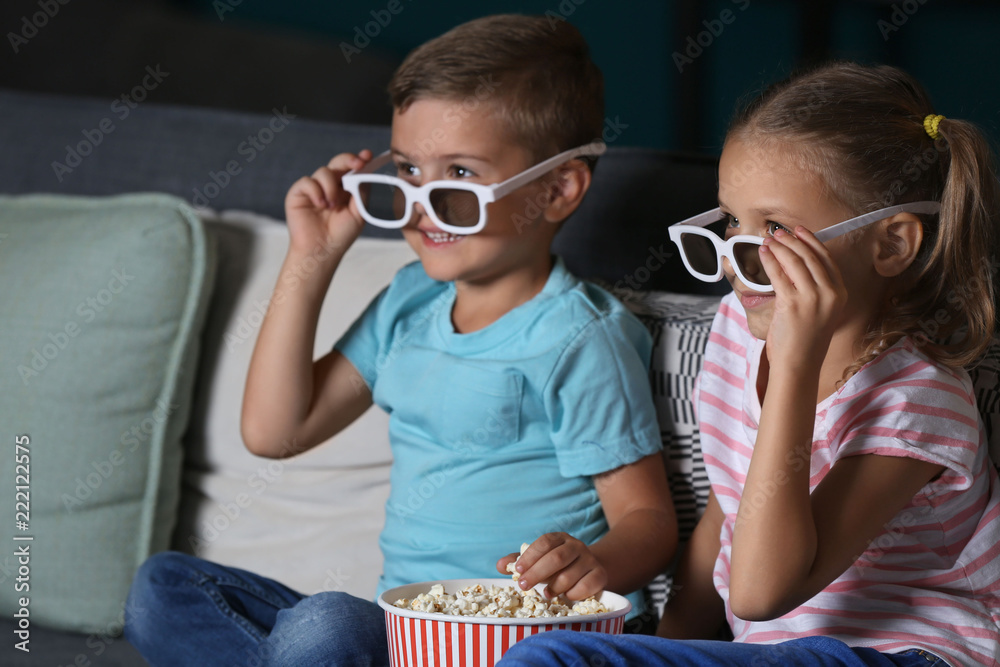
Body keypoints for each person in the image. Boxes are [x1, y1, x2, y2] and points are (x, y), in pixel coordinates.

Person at [123, 14, 677, 666]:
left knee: (322, 629)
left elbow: (649, 520)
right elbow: (277, 430)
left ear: (557, 189)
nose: (422, 202)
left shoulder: (581, 336)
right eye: (409, 169)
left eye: (461, 176)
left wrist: (591, 561)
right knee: (163, 587)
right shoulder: (409, 300)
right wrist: (313, 256)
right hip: (406, 634)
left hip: (523, 641)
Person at [498, 61, 1000, 666]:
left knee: (553, 660)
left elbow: (763, 592)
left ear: (890, 244)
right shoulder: (737, 328)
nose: (739, 260)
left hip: (904, 652)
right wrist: (662, 647)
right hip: (770, 653)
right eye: (732, 221)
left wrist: (793, 363)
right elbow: (729, 513)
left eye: (776, 230)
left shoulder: (918, 399)